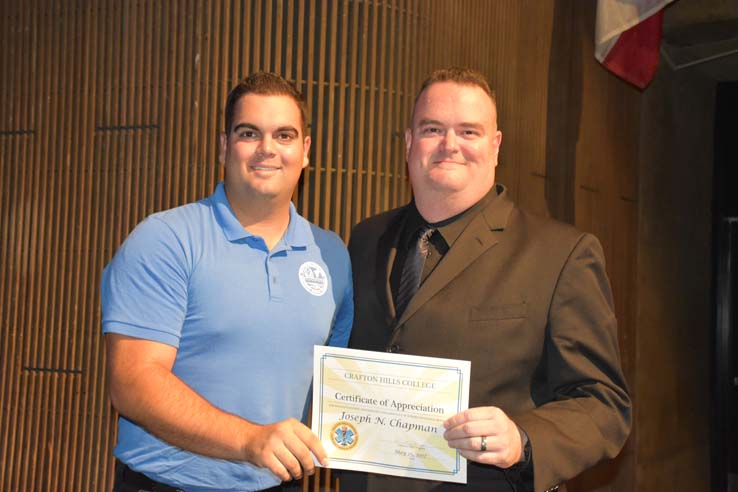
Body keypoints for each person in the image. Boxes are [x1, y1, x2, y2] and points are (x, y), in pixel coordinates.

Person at [343, 67, 631, 492]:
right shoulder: (365, 238)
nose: (449, 145)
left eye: (469, 132)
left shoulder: (561, 254)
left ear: (495, 147)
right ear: (408, 143)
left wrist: (524, 439)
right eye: (432, 129)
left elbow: (604, 404)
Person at [101, 72, 353, 492]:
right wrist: (250, 440)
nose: (267, 149)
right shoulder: (165, 238)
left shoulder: (332, 255)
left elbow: (334, 386)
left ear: (305, 151)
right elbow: (132, 383)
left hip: (279, 484)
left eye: (284, 135)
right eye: (249, 133)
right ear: (224, 146)